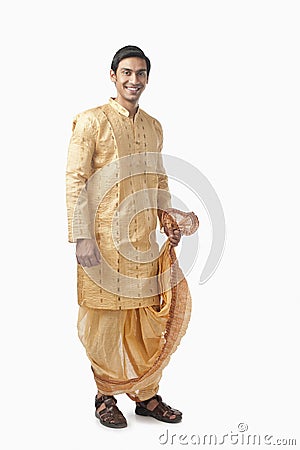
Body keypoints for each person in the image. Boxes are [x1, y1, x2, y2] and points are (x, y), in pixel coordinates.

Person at [66, 45, 196, 429]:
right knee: (103, 320)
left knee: (144, 319)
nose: (133, 80)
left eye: (140, 74)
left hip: (142, 242)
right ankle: (105, 395)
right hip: (102, 242)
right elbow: (75, 178)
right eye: (126, 73)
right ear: (112, 76)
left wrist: (166, 217)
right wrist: (81, 236)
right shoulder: (90, 121)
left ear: (147, 79)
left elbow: (157, 178)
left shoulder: (154, 126)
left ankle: (146, 395)